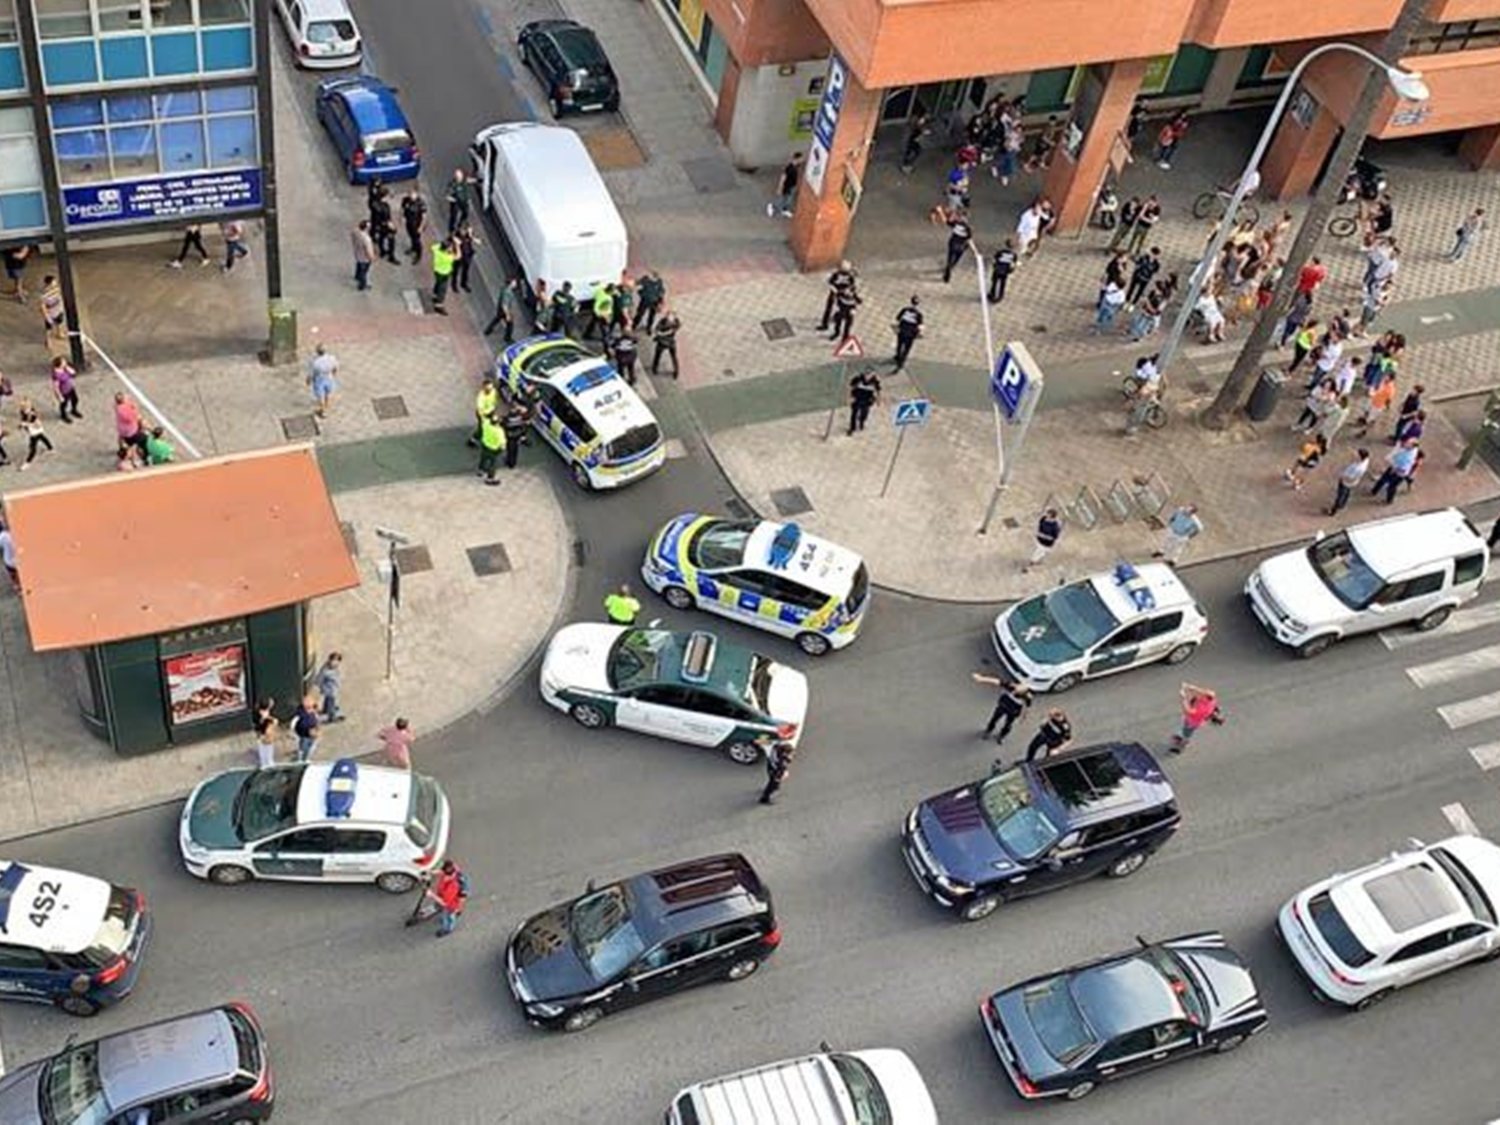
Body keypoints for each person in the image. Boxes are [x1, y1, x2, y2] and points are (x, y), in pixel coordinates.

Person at [973, 672, 1032, 745]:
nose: (1013, 691)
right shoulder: (1011, 686)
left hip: (1013, 712)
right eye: (1015, 689)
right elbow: (996, 681)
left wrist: (1024, 717)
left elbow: (1027, 707)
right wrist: (981, 679)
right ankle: (988, 730)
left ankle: (1001, 736)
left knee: (1008, 725)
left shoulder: (1027, 697)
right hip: (1003, 706)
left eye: (1016, 692)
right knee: (994, 719)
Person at [1168, 683, 1220, 753]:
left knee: (1187, 733)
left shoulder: (1202, 709)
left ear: (1205, 698)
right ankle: (1181, 737)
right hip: (1194, 721)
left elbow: (1187, 710)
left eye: (1201, 696)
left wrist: (1183, 698)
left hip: (1191, 723)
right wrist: (1189, 687)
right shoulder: (1211, 699)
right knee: (1185, 730)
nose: (1199, 695)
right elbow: (1204, 692)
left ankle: (1181, 746)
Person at [423, 860, 468, 937]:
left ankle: (447, 929)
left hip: (451, 905)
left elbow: (445, 903)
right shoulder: (452, 869)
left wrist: (431, 895)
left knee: (447, 917)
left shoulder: (453, 886)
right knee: (440, 906)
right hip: (443, 895)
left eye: (445, 876)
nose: (443, 877)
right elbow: (441, 871)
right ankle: (441, 910)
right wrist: (430, 872)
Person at [1370, 439, 1420, 504]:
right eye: (1407, 441)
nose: (1406, 443)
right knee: (1383, 479)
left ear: (1412, 446)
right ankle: (1374, 491)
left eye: (1408, 443)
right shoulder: (1411, 449)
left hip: (1398, 473)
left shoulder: (1408, 457)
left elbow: (1403, 468)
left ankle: (1389, 501)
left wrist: (1394, 469)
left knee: (1391, 487)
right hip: (1394, 467)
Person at [1328, 448, 1371, 516]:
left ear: (1360, 457)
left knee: (1341, 495)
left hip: (1346, 482)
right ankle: (1342, 504)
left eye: (1357, 454)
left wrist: (1341, 477)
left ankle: (1334, 510)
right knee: (1347, 493)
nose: (1355, 454)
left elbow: (1350, 477)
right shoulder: (1365, 460)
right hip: (1353, 482)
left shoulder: (1357, 468)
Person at [1021, 508, 1062, 574]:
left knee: (1038, 553)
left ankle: (1031, 564)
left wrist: (1043, 536)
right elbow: (1040, 525)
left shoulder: (1055, 527)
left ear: (1052, 517)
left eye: (1048, 515)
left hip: (1046, 543)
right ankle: (1035, 561)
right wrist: (1037, 533)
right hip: (1039, 540)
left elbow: (1054, 537)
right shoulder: (1043, 518)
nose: (1046, 516)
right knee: (1038, 551)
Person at [819, 261, 857, 332]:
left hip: (844, 295)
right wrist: (834, 290)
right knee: (829, 308)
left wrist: (847, 291)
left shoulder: (850, 276)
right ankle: (825, 324)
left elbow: (853, 286)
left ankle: (836, 319)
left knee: (841, 309)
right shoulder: (836, 275)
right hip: (835, 293)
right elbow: (830, 283)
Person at [484, 277, 522, 341]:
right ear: (511, 283)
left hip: (500, 309)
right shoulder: (508, 292)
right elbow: (505, 305)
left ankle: (487, 330)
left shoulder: (504, 288)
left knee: (497, 318)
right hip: (504, 311)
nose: (515, 283)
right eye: (514, 282)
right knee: (510, 324)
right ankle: (507, 338)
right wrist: (508, 315)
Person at [17, 399, 50, 471]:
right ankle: (50, 448)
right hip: (33, 432)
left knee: (33, 449)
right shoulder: (23, 413)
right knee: (42, 437)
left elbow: (38, 424)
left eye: (25, 407)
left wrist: (26, 424)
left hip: (34, 432)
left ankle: (27, 463)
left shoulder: (32, 414)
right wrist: (22, 425)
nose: (23, 409)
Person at [758, 740, 795, 805]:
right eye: (790, 753)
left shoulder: (775, 748)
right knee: (772, 785)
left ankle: (772, 788)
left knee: (771, 781)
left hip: (770, 767)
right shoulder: (781, 762)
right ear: (784, 753)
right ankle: (765, 798)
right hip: (775, 772)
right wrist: (780, 777)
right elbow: (780, 772)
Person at [307, 343, 338, 417]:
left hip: (320, 379)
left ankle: (323, 410)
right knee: (328, 392)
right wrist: (333, 374)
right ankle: (326, 406)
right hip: (329, 377)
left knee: (321, 395)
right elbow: (335, 367)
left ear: (317, 352)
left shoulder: (316, 362)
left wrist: (309, 380)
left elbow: (312, 373)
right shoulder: (332, 358)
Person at [847, 366, 880, 435]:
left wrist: (878, 400)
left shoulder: (875, 382)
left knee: (864, 414)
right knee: (854, 414)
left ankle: (861, 422)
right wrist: (850, 397)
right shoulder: (858, 379)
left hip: (867, 400)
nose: (867, 376)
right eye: (866, 373)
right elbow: (851, 387)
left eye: (869, 374)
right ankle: (852, 428)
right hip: (857, 398)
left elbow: (878, 391)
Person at [768, 153, 803, 217]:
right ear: (796, 159)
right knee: (782, 199)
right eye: (800, 159)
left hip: (791, 186)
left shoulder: (796, 167)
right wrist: (780, 187)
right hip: (786, 186)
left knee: (789, 199)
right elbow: (783, 177)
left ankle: (785, 209)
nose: (801, 160)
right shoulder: (789, 167)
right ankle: (772, 206)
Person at [941, 213, 973, 283]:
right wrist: (974, 250)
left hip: (953, 244)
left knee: (950, 258)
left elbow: (946, 221)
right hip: (961, 246)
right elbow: (969, 239)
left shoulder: (956, 224)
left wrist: (941, 212)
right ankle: (950, 267)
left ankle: (948, 271)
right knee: (957, 258)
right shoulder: (967, 228)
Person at [892, 297, 923, 370]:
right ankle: (902, 360)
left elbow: (897, 318)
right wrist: (919, 333)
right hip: (911, 333)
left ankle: (898, 356)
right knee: (907, 347)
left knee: (899, 344)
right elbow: (920, 325)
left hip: (902, 330)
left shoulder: (904, 310)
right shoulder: (918, 314)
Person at [476, 410, 505, 485]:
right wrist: (502, 449)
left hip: (485, 445)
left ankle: (480, 470)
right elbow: (502, 443)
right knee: (493, 464)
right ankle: (490, 478)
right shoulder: (499, 431)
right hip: (494, 449)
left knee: (483, 458)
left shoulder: (486, 424)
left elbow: (484, 418)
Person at [429, 237, 456, 315]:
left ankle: (434, 296)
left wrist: (447, 242)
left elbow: (434, 246)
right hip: (444, 273)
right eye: (450, 247)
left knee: (438, 284)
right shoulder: (447, 257)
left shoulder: (437, 250)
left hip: (437, 271)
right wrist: (457, 246)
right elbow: (458, 256)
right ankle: (438, 305)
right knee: (442, 289)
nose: (451, 248)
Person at [50, 356, 81, 424]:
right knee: (64, 404)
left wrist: (67, 367)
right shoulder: (56, 375)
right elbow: (56, 386)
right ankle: (63, 415)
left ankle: (73, 410)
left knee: (75, 399)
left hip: (70, 388)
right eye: (63, 362)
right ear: (60, 364)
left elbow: (73, 373)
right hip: (64, 391)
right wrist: (59, 396)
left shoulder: (65, 369)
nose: (65, 362)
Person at [316, 651, 344, 722]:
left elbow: (338, 677)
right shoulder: (325, 670)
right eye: (333, 660)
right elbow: (319, 679)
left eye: (337, 661)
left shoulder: (336, 669)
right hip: (329, 690)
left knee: (328, 701)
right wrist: (321, 687)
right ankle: (332, 717)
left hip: (333, 689)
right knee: (331, 702)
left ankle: (325, 710)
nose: (335, 663)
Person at [651, 310, 681, 377]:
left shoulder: (675, 322)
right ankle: (654, 368)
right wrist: (664, 333)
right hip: (666, 341)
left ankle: (676, 371)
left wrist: (662, 334)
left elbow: (658, 331)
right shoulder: (664, 322)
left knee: (672, 356)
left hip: (668, 341)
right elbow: (657, 331)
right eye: (668, 316)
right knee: (658, 356)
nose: (669, 318)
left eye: (671, 317)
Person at [291, 694, 321, 763]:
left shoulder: (313, 711)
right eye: (308, 702)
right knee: (303, 748)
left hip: (313, 735)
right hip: (303, 735)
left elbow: (317, 720)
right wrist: (294, 733)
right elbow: (294, 724)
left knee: (311, 747)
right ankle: (301, 760)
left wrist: (317, 729)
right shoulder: (300, 714)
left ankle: (307, 758)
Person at [401, 188, 427, 262]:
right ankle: (413, 248)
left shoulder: (421, 203)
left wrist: (421, 227)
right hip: (409, 223)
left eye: (413, 194)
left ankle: (419, 254)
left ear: (417, 194)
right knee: (411, 237)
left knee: (417, 240)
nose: (411, 196)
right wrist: (402, 217)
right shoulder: (406, 200)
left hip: (417, 225)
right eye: (410, 194)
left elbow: (424, 217)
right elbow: (403, 209)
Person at [502, 401, 530, 469]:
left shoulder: (508, 419)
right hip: (517, 435)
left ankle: (509, 462)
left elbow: (505, 425)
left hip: (510, 436)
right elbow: (523, 425)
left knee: (510, 450)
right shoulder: (519, 418)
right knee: (515, 450)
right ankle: (513, 462)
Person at [350, 220, 375, 291]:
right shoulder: (367, 239)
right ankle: (362, 284)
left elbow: (352, 235)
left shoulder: (355, 231)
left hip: (357, 253)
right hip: (365, 258)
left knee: (358, 265)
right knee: (364, 271)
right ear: (366, 228)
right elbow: (368, 250)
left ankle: (357, 276)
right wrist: (372, 258)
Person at [444, 168, 470, 235]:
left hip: (464, 201)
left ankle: (460, 225)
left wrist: (477, 180)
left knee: (465, 213)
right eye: (458, 177)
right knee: (454, 216)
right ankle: (451, 229)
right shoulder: (453, 184)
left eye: (461, 176)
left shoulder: (463, 181)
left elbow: (468, 181)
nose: (460, 178)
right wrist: (452, 199)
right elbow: (447, 195)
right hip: (456, 203)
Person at [252, 701, 278, 768]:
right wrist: (263, 719)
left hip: (268, 736)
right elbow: (258, 727)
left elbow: (274, 721)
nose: (266, 712)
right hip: (262, 736)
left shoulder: (268, 716)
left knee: (269, 748)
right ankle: (264, 764)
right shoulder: (257, 717)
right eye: (264, 710)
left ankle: (270, 762)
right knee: (263, 750)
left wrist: (269, 718)